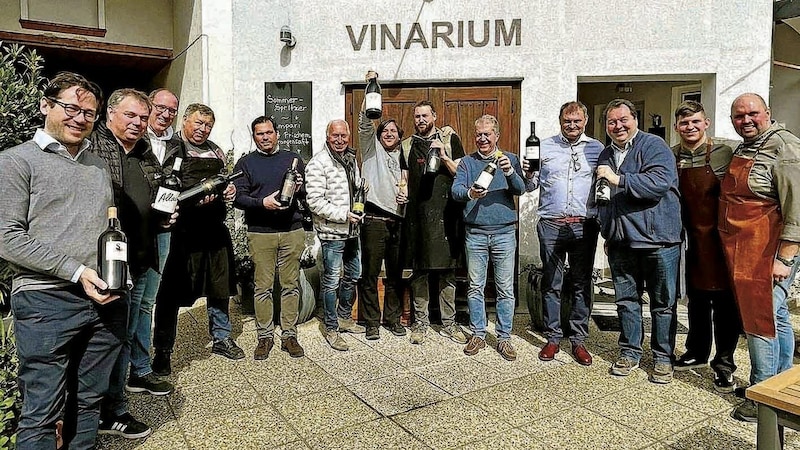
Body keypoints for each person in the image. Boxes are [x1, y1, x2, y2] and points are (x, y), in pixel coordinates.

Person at [0, 72, 122, 449]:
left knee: (88, 402)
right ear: (45, 105)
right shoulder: (16, 162)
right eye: (71, 107)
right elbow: (6, 237)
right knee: (42, 411)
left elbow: (106, 228)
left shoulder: (98, 164)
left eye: (89, 112)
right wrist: (77, 271)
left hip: (105, 299)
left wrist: (120, 276)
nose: (80, 117)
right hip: (45, 300)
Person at [91, 88, 174, 439]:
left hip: (141, 256)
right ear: (110, 114)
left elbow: (156, 197)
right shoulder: (93, 150)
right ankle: (112, 411)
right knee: (112, 338)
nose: (138, 123)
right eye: (130, 115)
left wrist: (165, 217)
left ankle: (117, 400)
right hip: (109, 263)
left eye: (142, 117)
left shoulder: (144, 152)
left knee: (128, 330)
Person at [720, 93, 800, 422]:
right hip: (746, 248)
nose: (746, 120)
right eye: (738, 116)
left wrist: (786, 256)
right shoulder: (745, 146)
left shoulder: (785, 148)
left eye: (752, 113)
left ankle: (761, 394)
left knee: (759, 321)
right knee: (777, 316)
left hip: (770, 251)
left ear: (767, 112)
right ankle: (779, 386)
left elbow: (798, 207)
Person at [596, 99, 682, 384]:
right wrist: (608, 231)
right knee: (626, 301)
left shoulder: (655, 146)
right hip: (622, 242)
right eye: (612, 122)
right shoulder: (606, 154)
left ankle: (662, 357)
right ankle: (630, 351)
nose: (618, 126)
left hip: (657, 240)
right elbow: (602, 197)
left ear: (635, 120)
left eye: (623, 120)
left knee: (662, 303)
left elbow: (659, 184)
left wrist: (619, 179)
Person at [154, 103, 244, 369]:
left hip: (214, 230)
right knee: (170, 293)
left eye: (207, 125)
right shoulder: (172, 148)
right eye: (198, 124)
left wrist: (230, 192)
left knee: (220, 287)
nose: (202, 130)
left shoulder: (216, 150)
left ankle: (221, 337)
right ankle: (162, 349)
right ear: (185, 122)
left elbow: (224, 181)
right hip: (181, 232)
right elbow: (163, 189)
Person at [523, 101, 603, 366]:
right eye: (567, 121)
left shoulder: (597, 149)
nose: (572, 125)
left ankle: (578, 340)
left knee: (581, 283)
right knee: (551, 283)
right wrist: (528, 173)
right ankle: (553, 337)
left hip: (584, 224)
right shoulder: (543, 147)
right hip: (551, 224)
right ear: (560, 121)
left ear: (585, 121)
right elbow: (530, 185)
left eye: (577, 121)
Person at [670, 100, 740, 393]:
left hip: (721, 238)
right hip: (690, 238)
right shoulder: (671, 155)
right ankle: (696, 351)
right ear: (677, 127)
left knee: (725, 305)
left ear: (706, 123)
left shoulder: (727, 151)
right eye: (685, 123)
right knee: (696, 300)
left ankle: (724, 364)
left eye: (695, 122)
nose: (690, 127)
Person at [452, 115, 525, 360]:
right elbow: (456, 190)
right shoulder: (467, 163)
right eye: (479, 134)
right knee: (475, 287)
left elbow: (520, 189)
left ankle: (504, 338)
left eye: (487, 134)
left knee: (505, 288)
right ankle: (478, 334)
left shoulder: (509, 159)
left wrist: (511, 172)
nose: (482, 138)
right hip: (475, 233)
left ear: (497, 136)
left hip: (504, 232)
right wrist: (470, 192)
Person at [233, 116, 307, 359]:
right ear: (254, 136)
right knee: (262, 287)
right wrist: (261, 203)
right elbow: (238, 198)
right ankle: (264, 336)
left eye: (268, 132)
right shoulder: (245, 163)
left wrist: (299, 188)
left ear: (277, 133)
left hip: (291, 230)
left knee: (290, 285)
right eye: (259, 134)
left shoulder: (293, 160)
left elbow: (304, 195)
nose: (264, 137)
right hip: (260, 232)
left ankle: (289, 335)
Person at [401, 100, 467, 345]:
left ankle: (449, 323)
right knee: (419, 272)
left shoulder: (451, 140)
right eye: (417, 116)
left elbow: (460, 174)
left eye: (425, 115)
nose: (420, 120)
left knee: (447, 273)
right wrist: (402, 192)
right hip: (418, 217)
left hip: (446, 214)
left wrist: (444, 155)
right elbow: (403, 178)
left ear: (435, 116)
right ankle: (421, 323)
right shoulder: (407, 145)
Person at [356, 70, 408, 340]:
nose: (388, 134)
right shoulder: (370, 149)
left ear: (400, 136)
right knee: (370, 274)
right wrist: (370, 89)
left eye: (393, 131)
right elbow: (365, 124)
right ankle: (372, 323)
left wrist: (406, 197)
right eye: (384, 130)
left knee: (396, 276)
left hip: (398, 221)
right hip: (374, 221)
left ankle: (393, 319)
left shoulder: (404, 155)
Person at [306, 119, 365, 351]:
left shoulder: (351, 158)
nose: (339, 140)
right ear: (327, 136)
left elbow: (356, 188)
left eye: (343, 136)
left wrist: (361, 202)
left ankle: (343, 317)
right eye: (335, 136)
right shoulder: (318, 163)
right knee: (331, 281)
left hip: (352, 230)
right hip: (332, 232)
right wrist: (344, 214)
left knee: (354, 273)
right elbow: (314, 201)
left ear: (348, 136)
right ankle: (331, 328)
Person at [145, 88, 186, 375]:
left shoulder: (176, 144)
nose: (165, 114)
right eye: (160, 107)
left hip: (163, 227)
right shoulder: (135, 138)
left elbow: (178, 180)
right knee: (136, 297)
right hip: (133, 227)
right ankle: (132, 360)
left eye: (172, 110)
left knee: (158, 295)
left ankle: (160, 351)